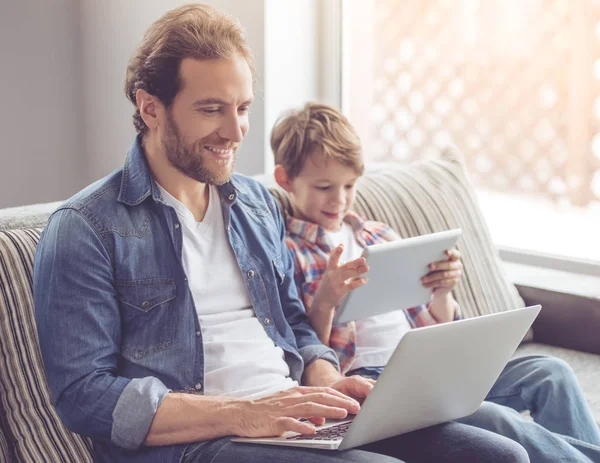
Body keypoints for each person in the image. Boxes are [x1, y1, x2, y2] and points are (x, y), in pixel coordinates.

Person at [33, 5, 530, 463]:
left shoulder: (254, 202)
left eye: (243, 107)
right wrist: (243, 413)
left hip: (294, 414)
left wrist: (326, 377)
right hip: (201, 442)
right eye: (211, 109)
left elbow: (291, 322)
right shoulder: (86, 229)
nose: (236, 131)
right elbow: (84, 396)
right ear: (150, 107)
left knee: (498, 454)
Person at [272, 101, 600, 463]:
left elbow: (436, 325)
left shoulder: (379, 235)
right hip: (374, 383)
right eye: (323, 187)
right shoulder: (288, 251)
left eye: (349, 184)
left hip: (432, 366)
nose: (339, 199)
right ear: (285, 180)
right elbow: (306, 359)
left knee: (551, 372)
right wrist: (326, 301)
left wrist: (442, 292)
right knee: (498, 420)